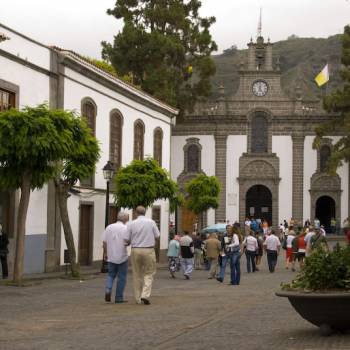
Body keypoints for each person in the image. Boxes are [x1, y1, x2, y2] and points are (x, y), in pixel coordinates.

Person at [125, 206, 160, 305]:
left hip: (135, 250)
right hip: (148, 249)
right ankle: (145, 295)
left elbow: (127, 239)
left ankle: (138, 298)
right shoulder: (151, 222)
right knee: (149, 273)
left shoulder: (131, 223)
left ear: (136, 213)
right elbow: (157, 236)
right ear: (145, 212)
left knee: (137, 274)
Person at [102, 212, 129, 303]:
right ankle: (118, 297)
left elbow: (104, 242)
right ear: (125, 219)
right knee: (122, 277)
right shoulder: (126, 228)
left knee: (110, 275)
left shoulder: (109, 227)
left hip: (111, 255)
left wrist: (105, 253)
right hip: (122, 256)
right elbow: (127, 241)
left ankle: (108, 290)